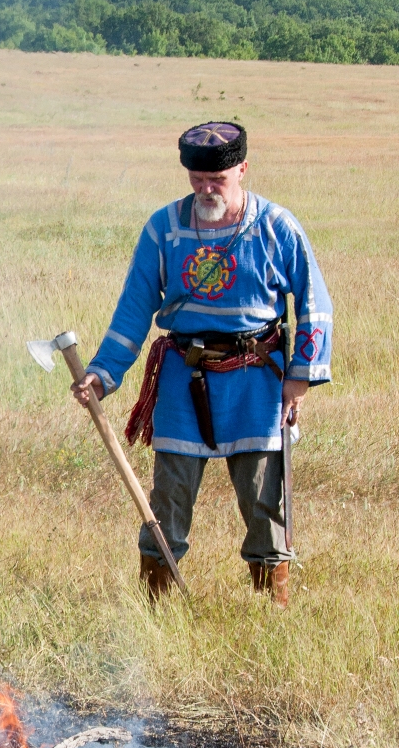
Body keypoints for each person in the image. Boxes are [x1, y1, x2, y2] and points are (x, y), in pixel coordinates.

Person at [72, 122, 332, 606]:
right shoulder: (164, 228)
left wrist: (299, 377)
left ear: (243, 170)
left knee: (264, 500)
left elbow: (315, 303)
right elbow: (134, 309)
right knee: (167, 499)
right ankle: (157, 607)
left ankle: (272, 609)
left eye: (218, 180)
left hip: (256, 381)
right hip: (182, 380)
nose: (207, 189)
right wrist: (102, 373)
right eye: (197, 179)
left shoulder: (276, 226)